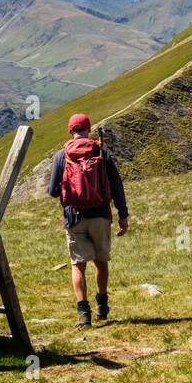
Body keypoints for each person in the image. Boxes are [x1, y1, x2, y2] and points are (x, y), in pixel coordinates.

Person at [47, 113, 129, 327]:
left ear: (70, 130)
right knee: (101, 262)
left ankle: (84, 314)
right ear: (89, 128)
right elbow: (117, 185)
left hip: (74, 217)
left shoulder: (61, 155)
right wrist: (123, 214)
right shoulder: (101, 151)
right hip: (101, 215)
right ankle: (102, 304)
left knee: (78, 265)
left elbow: (52, 191)